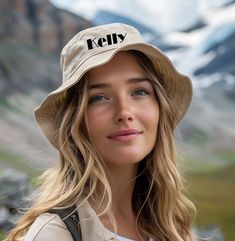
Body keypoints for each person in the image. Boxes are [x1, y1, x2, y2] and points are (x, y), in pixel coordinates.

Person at [6, 23, 196, 241]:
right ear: (74, 122)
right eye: (99, 98)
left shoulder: (171, 225)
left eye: (139, 91)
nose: (124, 112)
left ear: (159, 107)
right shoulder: (53, 235)